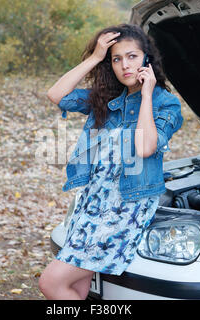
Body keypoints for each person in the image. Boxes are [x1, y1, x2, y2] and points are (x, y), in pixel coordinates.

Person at [38, 23, 183, 300]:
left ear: (147, 59)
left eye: (132, 56)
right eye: (116, 59)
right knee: (79, 288)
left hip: (127, 206)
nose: (124, 65)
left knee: (51, 283)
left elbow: (144, 146)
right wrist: (94, 57)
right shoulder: (106, 99)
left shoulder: (166, 104)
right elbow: (57, 95)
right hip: (91, 201)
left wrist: (148, 93)